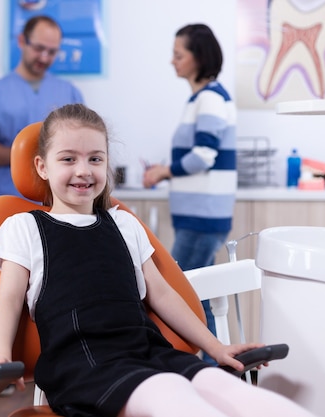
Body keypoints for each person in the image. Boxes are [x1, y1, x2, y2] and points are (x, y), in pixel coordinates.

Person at [0, 104, 315, 417]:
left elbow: (161, 294)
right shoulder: (24, 227)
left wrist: (217, 347)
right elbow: (9, 299)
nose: (84, 170)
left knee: (221, 385)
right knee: (170, 391)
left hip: (148, 352)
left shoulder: (123, 223)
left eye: (95, 159)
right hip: (83, 365)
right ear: (42, 167)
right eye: (68, 159)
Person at [143, 23, 237, 363]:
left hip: (202, 217)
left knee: (182, 295)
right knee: (199, 295)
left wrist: (164, 171)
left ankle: (211, 368)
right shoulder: (201, 99)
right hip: (199, 216)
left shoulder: (209, 99)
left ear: (198, 58)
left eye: (178, 55)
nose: (172, 61)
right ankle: (218, 367)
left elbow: (204, 156)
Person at [0, 15, 84, 209]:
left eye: (52, 51)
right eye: (39, 48)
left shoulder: (69, 92)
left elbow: (82, 146)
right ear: (22, 41)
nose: (44, 57)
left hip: (58, 205)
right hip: (5, 201)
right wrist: (27, 155)